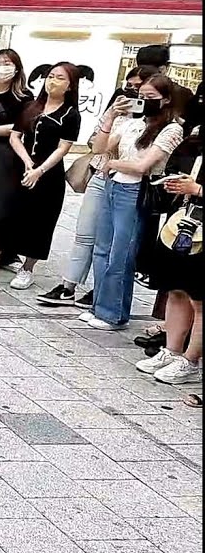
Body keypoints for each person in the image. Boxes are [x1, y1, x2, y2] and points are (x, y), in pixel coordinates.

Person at [0, 62, 80, 289]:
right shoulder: (32, 106)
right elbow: (15, 136)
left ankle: (27, 269)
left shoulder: (71, 114)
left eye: (60, 78)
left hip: (48, 176)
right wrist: (26, 161)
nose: (53, 81)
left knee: (40, 223)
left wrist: (39, 170)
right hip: (20, 169)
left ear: (71, 86)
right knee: (4, 216)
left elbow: (63, 148)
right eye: (51, 76)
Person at [38, 66, 149, 308]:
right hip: (101, 174)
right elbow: (96, 144)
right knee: (84, 233)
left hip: (129, 182)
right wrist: (112, 117)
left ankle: (99, 292)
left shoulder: (156, 122)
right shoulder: (117, 110)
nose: (133, 92)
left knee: (109, 241)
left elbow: (140, 155)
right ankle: (68, 286)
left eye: (139, 87)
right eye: (129, 86)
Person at [85, 73, 184, 331]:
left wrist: (113, 163)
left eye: (151, 97)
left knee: (122, 253)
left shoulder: (172, 128)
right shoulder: (133, 123)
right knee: (102, 248)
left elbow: (142, 166)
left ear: (166, 100)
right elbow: (98, 148)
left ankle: (113, 313)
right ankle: (99, 305)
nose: (143, 102)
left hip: (136, 191)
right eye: (141, 96)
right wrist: (111, 116)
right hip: (114, 185)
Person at [135, 95, 203, 384]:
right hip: (186, 222)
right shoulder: (197, 134)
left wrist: (197, 188)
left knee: (200, 300)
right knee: (176, 289)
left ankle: (191, 360)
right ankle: (172, 350)